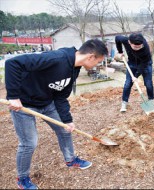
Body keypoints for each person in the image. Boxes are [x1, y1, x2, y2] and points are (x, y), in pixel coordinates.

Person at [5, 39, 108, 189]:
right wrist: (13, 97)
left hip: (47, 103)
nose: (97, 65)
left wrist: (67, 120)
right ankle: (22, 179)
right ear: (91, 57)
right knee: (29, 143)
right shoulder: (56, 58)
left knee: (65, 130)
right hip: (23, 104)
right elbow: (13, 63)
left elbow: (60, 95)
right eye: (98, 61)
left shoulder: (75, 68)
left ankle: (70, 159)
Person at [114, 33, 154, 112]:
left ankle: (151, 101)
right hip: (132, 64)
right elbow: (117, 38)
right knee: (128, 84)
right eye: (135, 47)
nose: (137, 48)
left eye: (139, 46)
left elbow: (144, 63)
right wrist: (120, 51)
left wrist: (136, 76)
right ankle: (124, 103)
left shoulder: (145, 49)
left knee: (148, 84)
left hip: (145, 64)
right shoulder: (125, 40)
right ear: (129, 42)